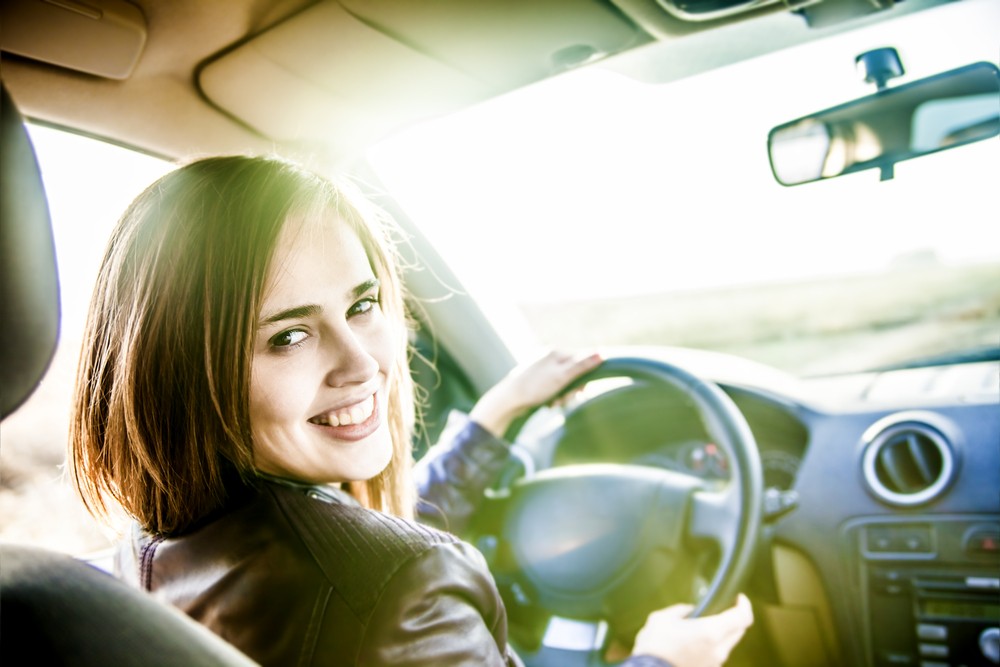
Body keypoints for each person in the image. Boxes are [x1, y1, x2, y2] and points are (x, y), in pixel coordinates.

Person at [69, 155, 752, 667]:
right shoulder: (409, 589)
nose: (363, 363)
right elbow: (380, 569)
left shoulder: (153, 552)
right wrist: (661, 659)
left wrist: (491, 420)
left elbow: (356, 548)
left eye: (363, 306)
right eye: (289, 335)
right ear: (180, 371)